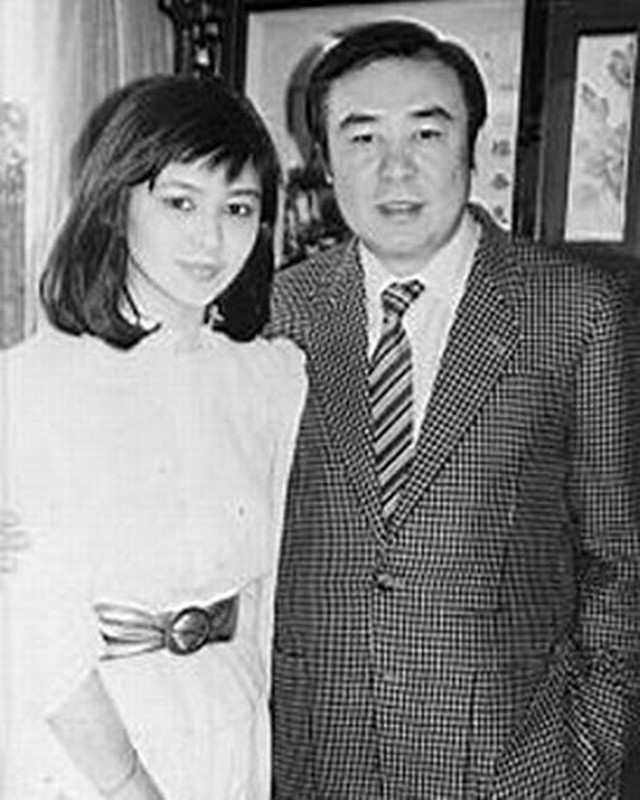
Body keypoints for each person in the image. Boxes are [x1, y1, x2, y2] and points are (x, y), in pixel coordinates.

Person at [268, 19, 640, 799]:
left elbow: (622, 561)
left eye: (427, 133)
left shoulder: (573, 310)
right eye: (362, 138)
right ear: (324, 161)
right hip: (318, 765)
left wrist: (585, 764)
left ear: (473, 145)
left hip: (514, 769)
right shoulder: (281, 312)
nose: (395, 168)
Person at [0, 74, 305, 799]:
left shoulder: (271, 379)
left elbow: (264, 595)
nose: (210, 238)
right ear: (116, 203)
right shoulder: (31, 385)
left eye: (238, 208)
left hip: (231, 725)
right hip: (83, 752)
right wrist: (130, 784)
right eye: (179, 203)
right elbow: (31, 626)